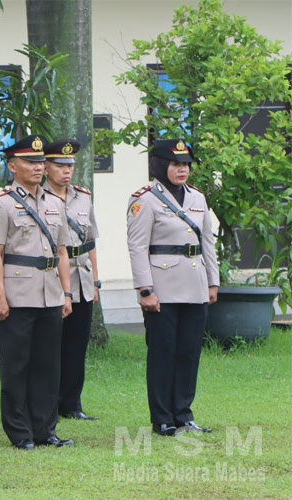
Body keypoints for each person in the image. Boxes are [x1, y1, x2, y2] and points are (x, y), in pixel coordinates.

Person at [0, 135, 76, 450]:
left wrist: (66, 293)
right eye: (30, 162)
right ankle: (20, 432)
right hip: (16, 294)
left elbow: (62, 251)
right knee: (16, 366)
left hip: (50, 293)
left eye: (40, 162)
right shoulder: (0, 203)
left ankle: (45, 429)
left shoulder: (54, 202)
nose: (37, 167)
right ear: (12, 166)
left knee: (48, 366)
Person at [126, 138, 219, 437]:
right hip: (162, 288)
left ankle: (183, 414)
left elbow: (207, 242)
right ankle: (163, 418)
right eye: (176, 164)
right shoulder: (145, 199)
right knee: (163, 353)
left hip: (195, 285)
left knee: (188, 353)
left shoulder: (197, 198)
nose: (182, 170)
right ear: (160, 165)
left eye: (186, 165)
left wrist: (213, 281)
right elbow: (137, 247)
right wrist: (145, 289)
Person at [42, 138, 100, 421]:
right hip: (53, 277)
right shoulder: (38, 197)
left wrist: (96, 281)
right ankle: (48, 402)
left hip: (82, 277)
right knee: (52, 345)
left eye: (70, 166)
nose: (66, 171)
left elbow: (91, 242)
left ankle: (72, 403)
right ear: (45, 167)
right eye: (59, 166)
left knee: (77, 345)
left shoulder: (83, 197)